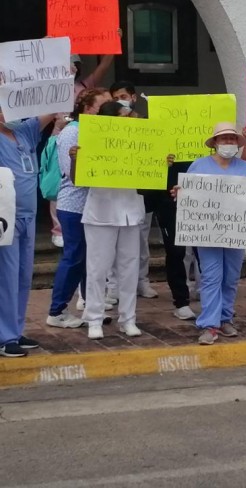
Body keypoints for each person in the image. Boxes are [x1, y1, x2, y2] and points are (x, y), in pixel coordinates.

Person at [78, 101, 167, 340]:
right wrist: (77, 158)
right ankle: (94, 318)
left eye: (129, 115)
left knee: (129, 269)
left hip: (130, 211)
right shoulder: (93, 140)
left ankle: (128, 319)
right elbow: (79, 177)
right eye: (123, 116)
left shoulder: (139, 142)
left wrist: (160, 164)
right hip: (101, 212)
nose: (129, 119)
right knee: (97, 269)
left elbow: (148, 181)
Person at [171, 122, 246, 344]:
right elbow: (187, 193)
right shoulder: (198, 166)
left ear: (237, 144)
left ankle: (225, 318)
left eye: (231, 139)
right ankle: (209, 324)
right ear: (215, 143)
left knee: (230, 278)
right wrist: (180, 193)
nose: (227, 142)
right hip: (207, 233)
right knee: (211, 277)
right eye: (223, 139)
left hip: (236, 232)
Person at [0, 105, 57, 357]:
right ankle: (4, 336)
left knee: (23, 277)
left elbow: (54, 106)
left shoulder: (25, 131)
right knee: (6, 278)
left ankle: (16, 329)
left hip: (28, 216)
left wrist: (63, 78)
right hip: (5, 217)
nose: (6, 114)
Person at [45, 89, 104, 329]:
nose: (107, 109)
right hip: (74, 205)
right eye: (102, 105)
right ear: (88, 108)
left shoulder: (99, 131)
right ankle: (57, 310)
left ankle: (92, 307)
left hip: (93, 205)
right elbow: (72, 172)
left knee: (89, 258)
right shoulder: (72, 132)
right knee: (74, 257)